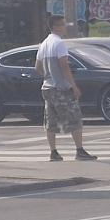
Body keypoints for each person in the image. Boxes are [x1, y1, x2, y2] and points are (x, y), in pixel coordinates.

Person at [35, 15, 97, 161]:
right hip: (61, 88)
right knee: (74, 117)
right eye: (62, 24)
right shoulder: (59, 43)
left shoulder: (43, 44)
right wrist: (73, 86)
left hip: (47, 87)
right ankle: (79, 151)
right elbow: (64, 65)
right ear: (56, 27)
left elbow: (37, 67)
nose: (65, 27)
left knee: (50, 120)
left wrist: (48, 75)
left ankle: (53, 152)